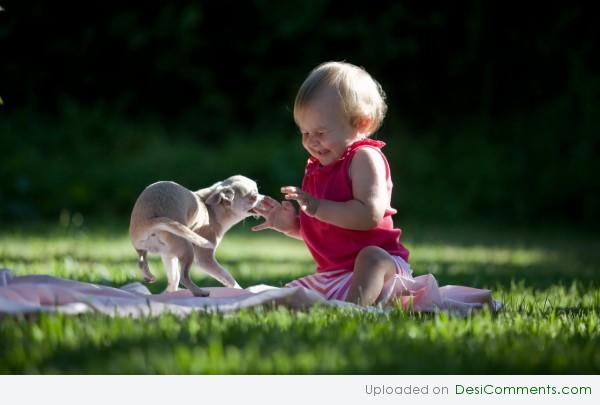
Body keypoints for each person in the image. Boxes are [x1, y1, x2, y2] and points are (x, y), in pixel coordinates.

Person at [252, 61, 411, 306]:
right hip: (336, 277)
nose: (312, 142)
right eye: (304, 133)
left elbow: (368, 215)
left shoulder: (364, 157)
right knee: (281, 299)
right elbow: (329, 230)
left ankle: (354, 310)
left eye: (321, 132)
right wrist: (292, 226)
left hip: (384, 273)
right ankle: (347, 304)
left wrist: (316, 208)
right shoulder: (318, 167)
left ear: (361, 123)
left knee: (371, 258)